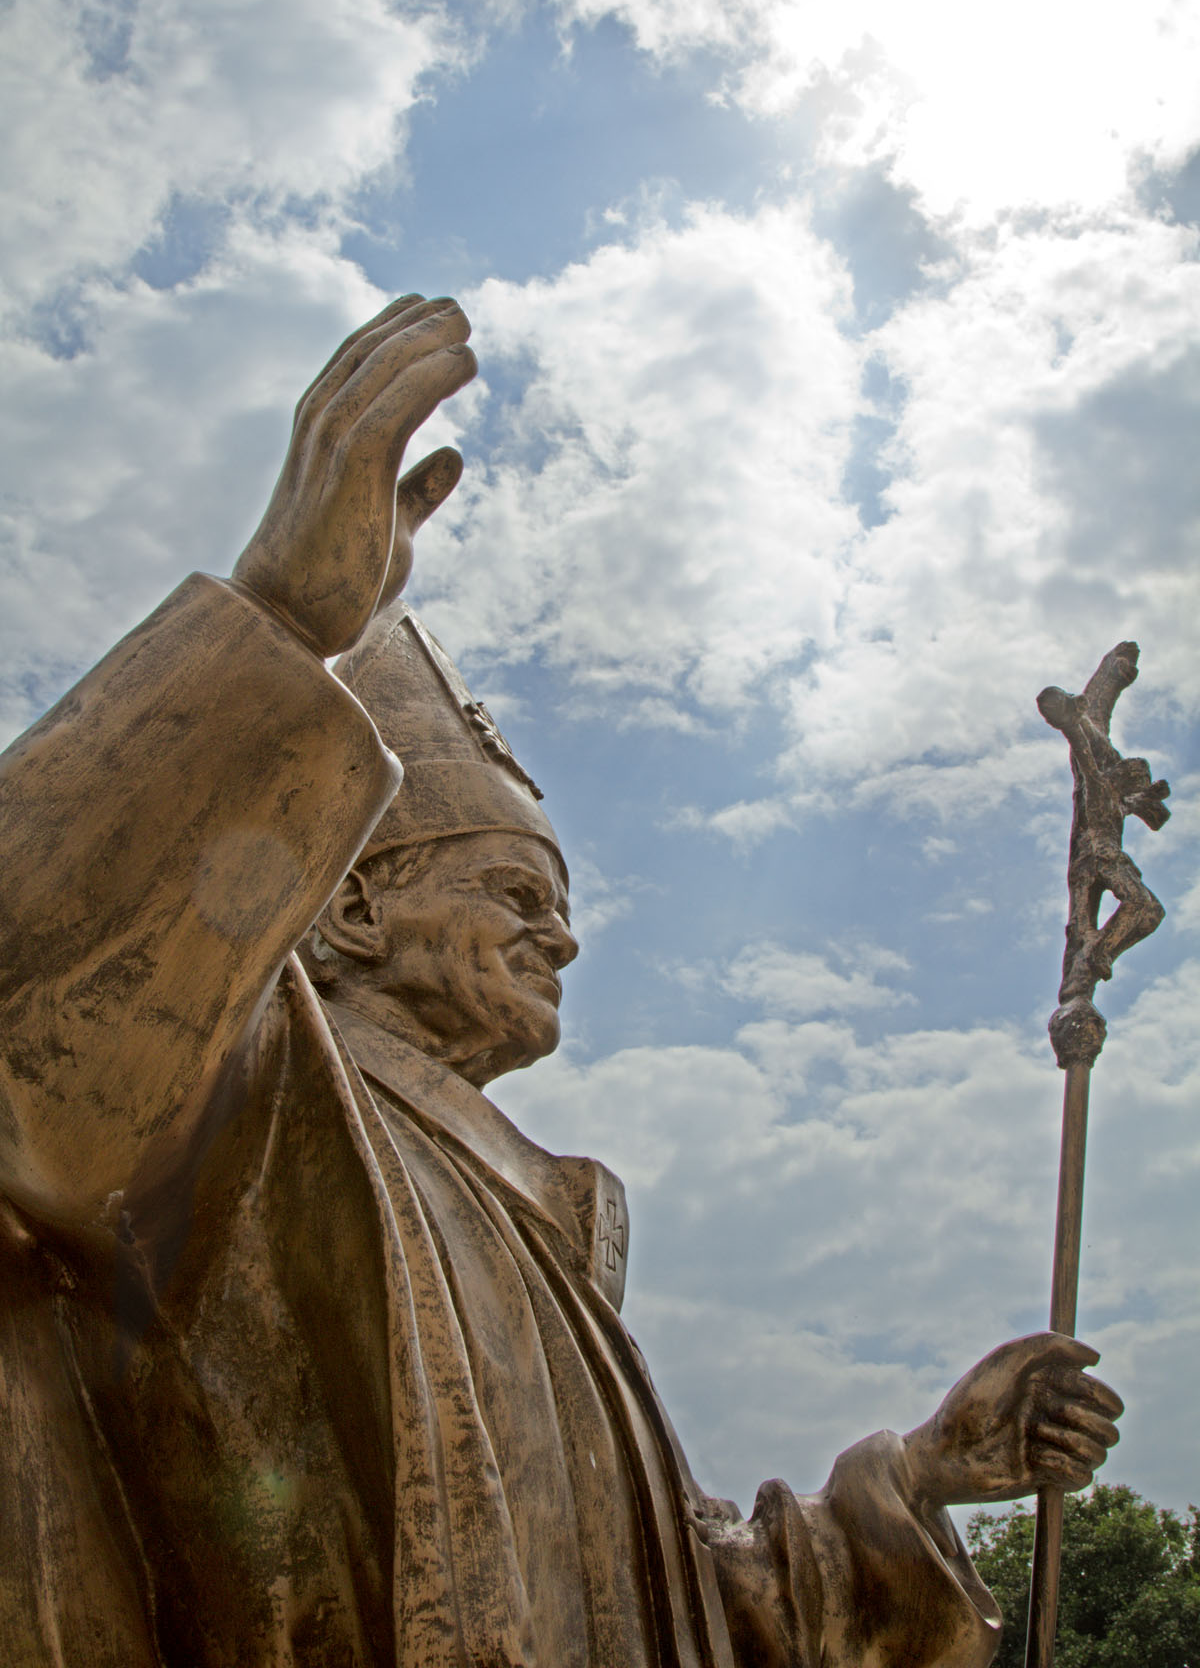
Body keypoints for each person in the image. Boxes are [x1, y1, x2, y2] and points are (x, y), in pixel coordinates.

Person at [0, 296, 1122, 1667]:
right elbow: (38, 992)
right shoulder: (247, 1093)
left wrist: (927, 1473)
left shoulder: (541, 1213)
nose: (564, 941)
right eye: (515, 896)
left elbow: (667, 1606)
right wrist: (281, 620)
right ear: (349, 909)